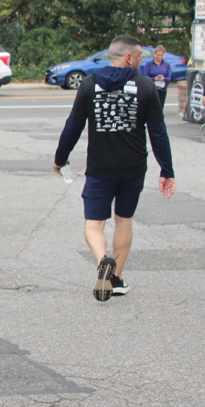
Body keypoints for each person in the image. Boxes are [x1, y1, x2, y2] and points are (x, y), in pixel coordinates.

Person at [53, 35, 175, 301]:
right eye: (139, 56)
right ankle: (116, 278)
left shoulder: (89, 84)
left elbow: (74, 124)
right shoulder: (145, 86)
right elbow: (158, 132)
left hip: (100, 167)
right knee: (123, 219)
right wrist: (167, 170)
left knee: (93, 224)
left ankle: (102, 262)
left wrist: (60, 158)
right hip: (133, 167)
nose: (141, 61)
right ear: (128, 58)